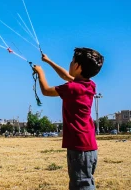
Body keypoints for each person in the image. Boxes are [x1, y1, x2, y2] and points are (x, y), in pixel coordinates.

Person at [33, 47, 104, 190]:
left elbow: (46, 91)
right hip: (88, 145)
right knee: (85, 182)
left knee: (81, 185)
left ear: (77, 66)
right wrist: (49, 61)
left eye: (72, 62)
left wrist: (41, 73)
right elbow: (66, 76)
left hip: (79, 147)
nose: (70, 64)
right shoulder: (89, 85)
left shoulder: (72, 88)